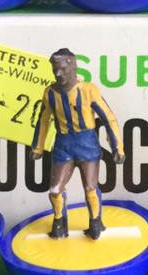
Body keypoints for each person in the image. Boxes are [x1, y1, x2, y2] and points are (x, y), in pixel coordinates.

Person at [30, 48, 124, 240]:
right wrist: (37, 147)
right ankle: (59, 220)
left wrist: (117, 146)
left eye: (63, 69)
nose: (58, 74)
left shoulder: (88, 90)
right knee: (55, 190)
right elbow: (43, 120)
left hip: (86, 143)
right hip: (63, 145)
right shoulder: (50, 93)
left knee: (90, 187)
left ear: (73, 67)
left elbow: (108, 118)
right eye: (55, 69)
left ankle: (95, 221)